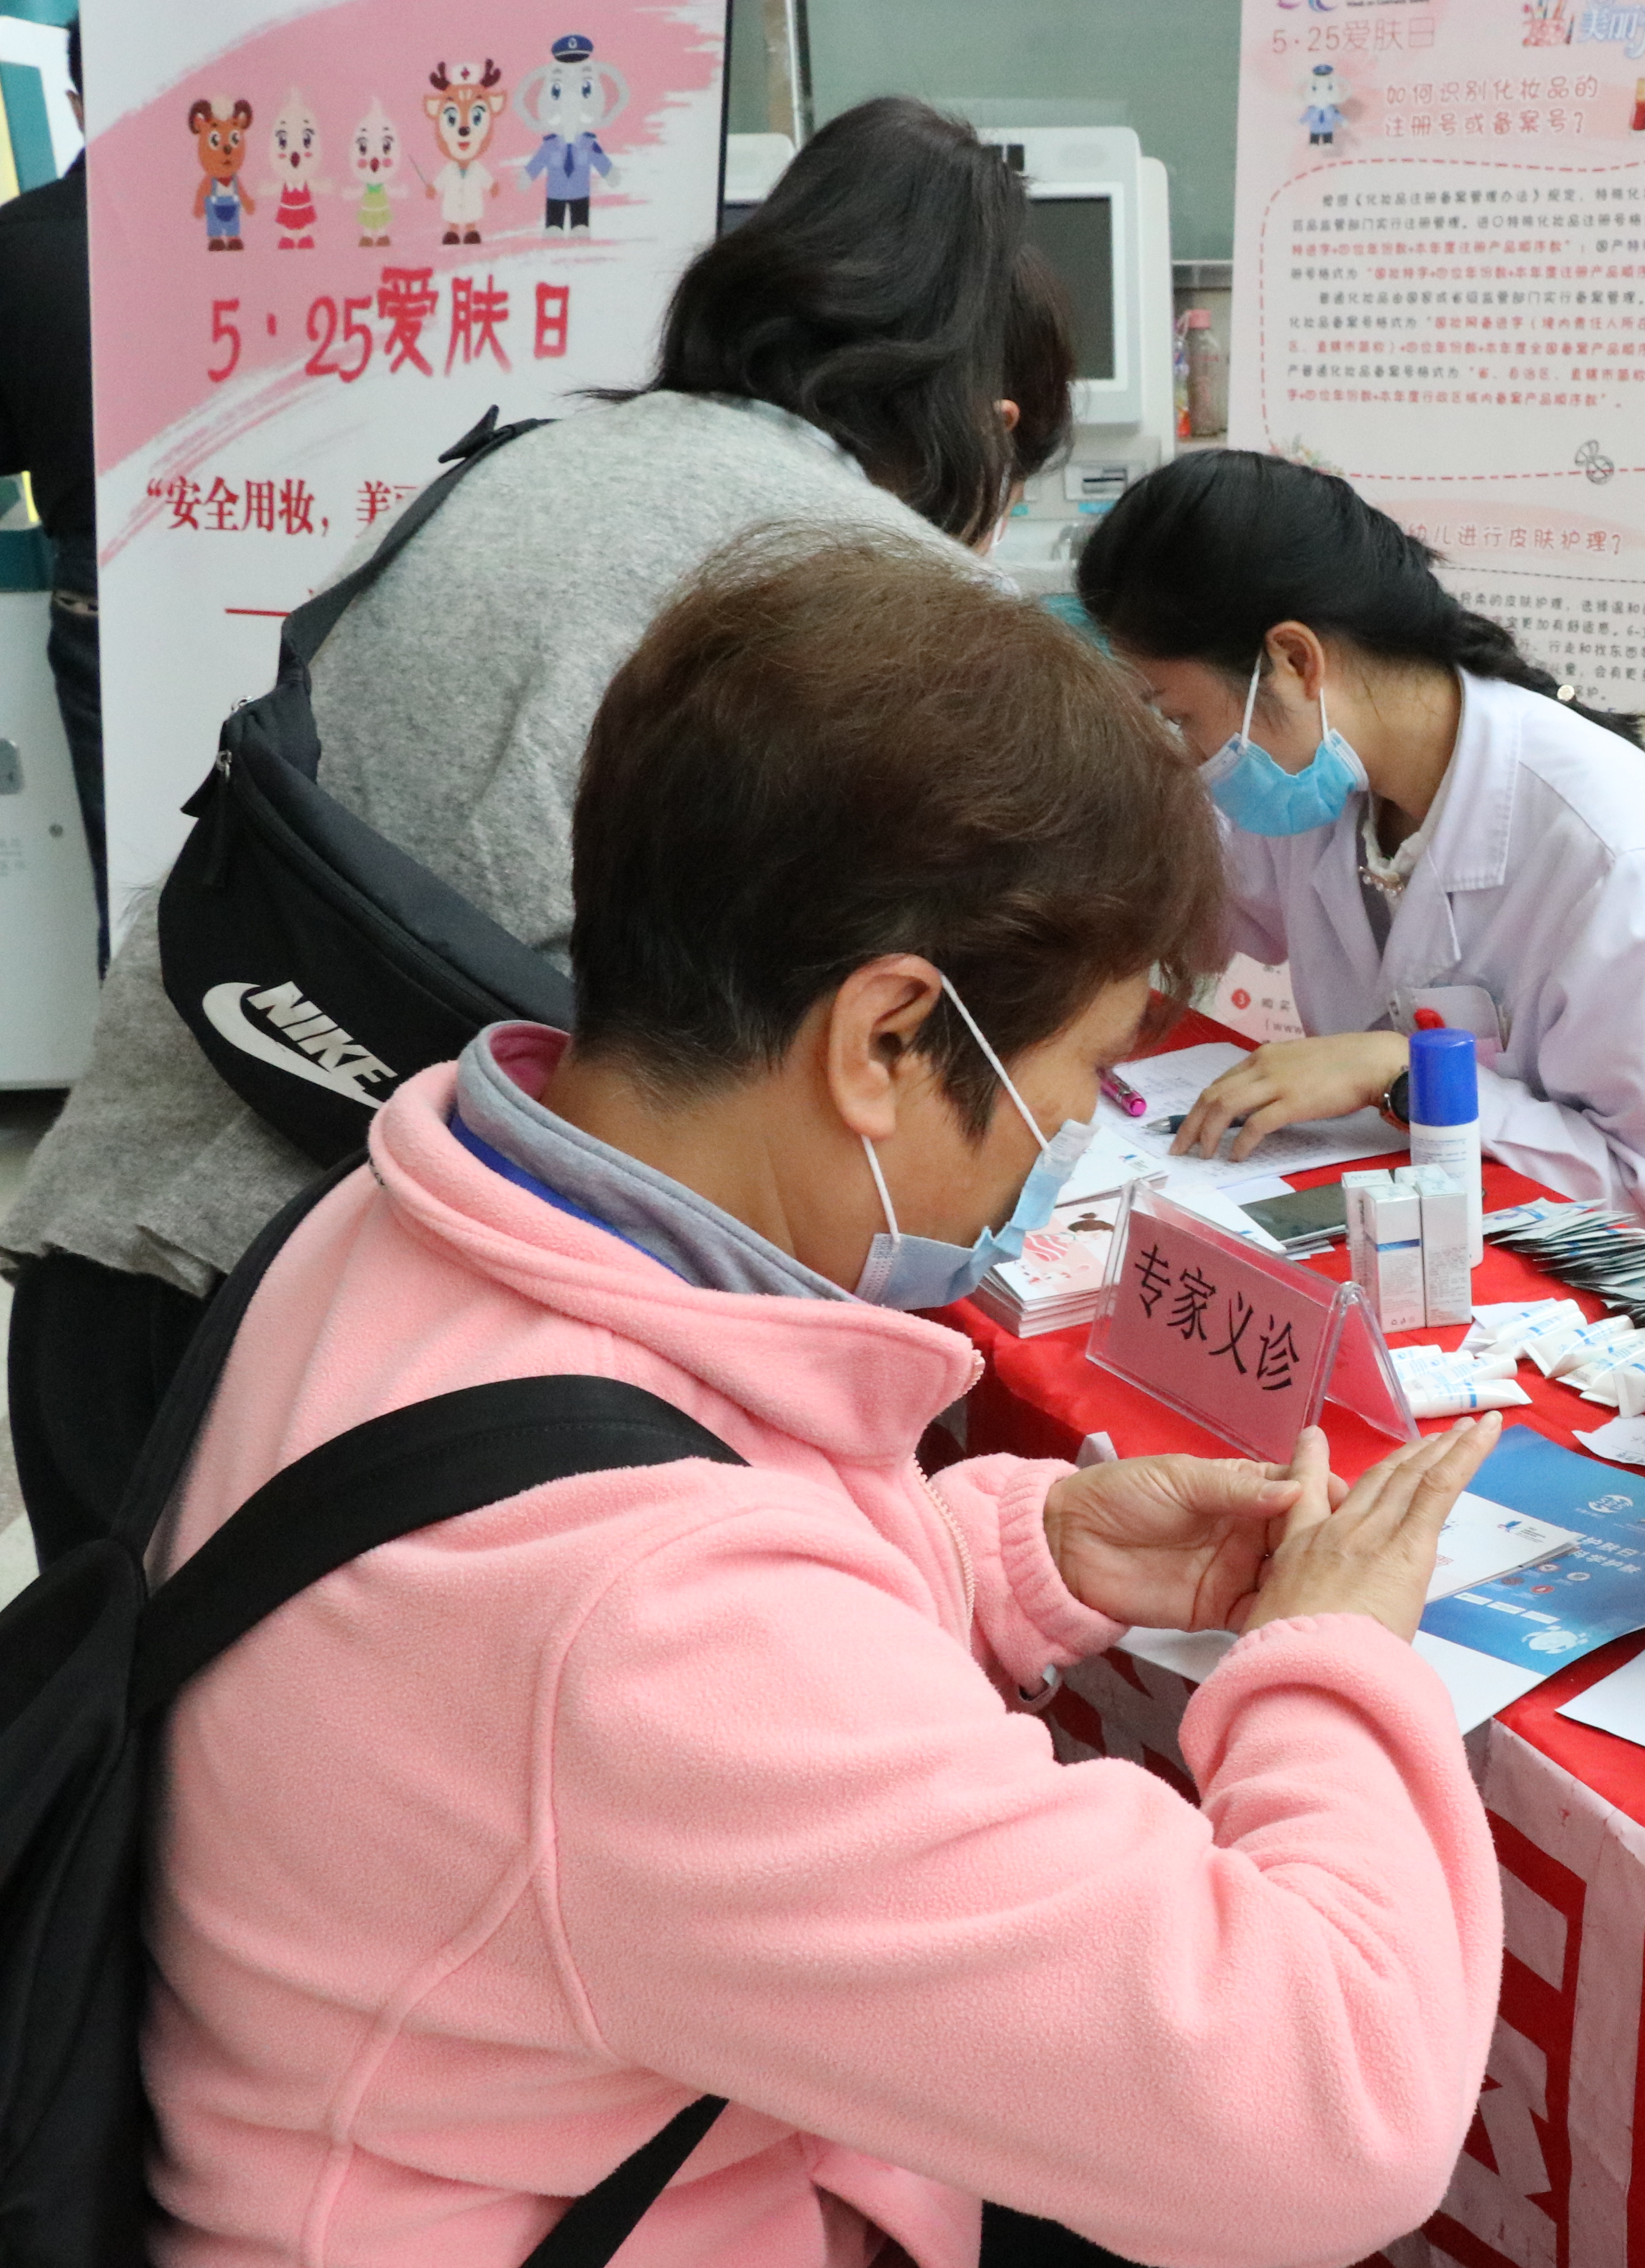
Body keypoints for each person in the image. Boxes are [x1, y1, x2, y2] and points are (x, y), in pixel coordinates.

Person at [147, 530, 1506, 2268]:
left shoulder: (406, 1219)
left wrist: (1015, 1545)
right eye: (1079, 1079)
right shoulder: (652, 1617)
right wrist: (1333, 1666)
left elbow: (639, 1601)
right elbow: (1328, 2108)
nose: (1068, 1141)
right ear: (882, 1042)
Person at [3, 95, 1074, 1568]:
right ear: (990, 418)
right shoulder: (883, 585)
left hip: (119, 1243)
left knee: (98, 1712)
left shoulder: (523, 455)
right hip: (367, 1361)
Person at [1075, 450, 1645, 1268]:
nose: (1189, 755)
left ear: (1295, 662)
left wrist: (1405, 1076)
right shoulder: (1321, 775)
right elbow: (1188, 916)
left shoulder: (1614, 851)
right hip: (1441, 1224)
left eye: (1180, 717)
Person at [0, 21, 100, 957]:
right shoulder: (275, 228)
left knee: (139, 881)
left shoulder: (20, 241)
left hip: (101, 588)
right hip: (289, 580)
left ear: (75, 102)